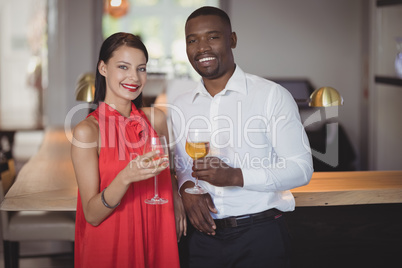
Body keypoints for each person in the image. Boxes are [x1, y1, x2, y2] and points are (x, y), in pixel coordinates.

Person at [171, 6, 314, 268]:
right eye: (193, 40)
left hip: (260, 236)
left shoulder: (272, 96)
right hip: (202, 238)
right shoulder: (181, 105)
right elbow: (182, 166)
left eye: (212, 37)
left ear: (232, 39)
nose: (202, 47)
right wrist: (186, 189)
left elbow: (301, 169)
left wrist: (236, 176)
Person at [71, 32, 185, 268]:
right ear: (103, 68)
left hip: (157, 230)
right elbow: (92, 215)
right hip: (113, 240)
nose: (134, 77)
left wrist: (176, 199)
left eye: (141, 68)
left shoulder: (156, 119)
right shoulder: (87, 132)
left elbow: (170, 167)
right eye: (123, 67)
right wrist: (125, 178)